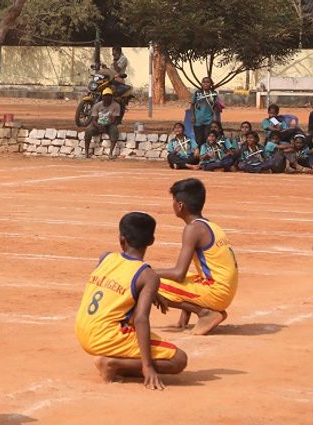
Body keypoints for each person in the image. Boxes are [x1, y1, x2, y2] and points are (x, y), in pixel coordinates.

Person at [75, 212, 188, 389]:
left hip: (83, 330)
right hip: (105, 337)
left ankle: (116, 361)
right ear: (151, 240)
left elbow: (122, 280)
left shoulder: (105, 257)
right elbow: (141, 318)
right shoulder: (147, 275)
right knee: (179, 360)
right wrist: (147, 366)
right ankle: (112, 363)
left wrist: (152, 293)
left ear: (121, 239)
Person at [155, 178, 238, 335]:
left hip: (217, 293)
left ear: (180, 205)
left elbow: (178, 274)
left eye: (173, 201)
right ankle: (200, 314)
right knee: (188, 276)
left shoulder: (193, 230)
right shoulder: (209, 225)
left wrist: (142, 270)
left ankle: (205, 313)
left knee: (147, 280)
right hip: (224, 289)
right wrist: (183, 322)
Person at [83, 87, 120, 159]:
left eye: (109, 96)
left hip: (109, 125)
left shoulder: (116, 105)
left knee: (115, 130)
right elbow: (93, 120)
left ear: (111, 97)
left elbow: (114, 120)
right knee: (88, 130)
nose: (107, 97)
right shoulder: (97, 105)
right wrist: (98, 126)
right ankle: (86, 152)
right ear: (102, 97)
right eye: (105, 96)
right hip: (98, 124)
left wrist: (106, 125)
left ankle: (110, 153)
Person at [190, 77, 218, 145]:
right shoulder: (197, 93)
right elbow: (192, 104)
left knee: (207, 137)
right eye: (204, 82)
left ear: (211, 84)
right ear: (201, 84)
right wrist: (193, 116)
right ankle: (199, 153)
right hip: (198, 120)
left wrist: (215, 116)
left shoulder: (214, 94)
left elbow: (215, 106)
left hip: (209, 120)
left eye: (208, 82)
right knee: (198, 138)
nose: (205, 83)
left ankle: (206, 153)